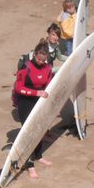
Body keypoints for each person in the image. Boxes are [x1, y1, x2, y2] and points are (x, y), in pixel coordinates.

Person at [13, 41, 55, 179]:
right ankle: (29, 165)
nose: (41, 62)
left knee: (40, 130)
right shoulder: (26, 67)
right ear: (35, 54)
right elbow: (18, 87)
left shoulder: (48, 68)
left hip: (39, 103)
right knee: (30, 132)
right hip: (25, 103)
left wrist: (48, 95)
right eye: (38, 59)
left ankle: (38, 155)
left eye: (43, 60)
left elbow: (49, 85)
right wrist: (35, 93)